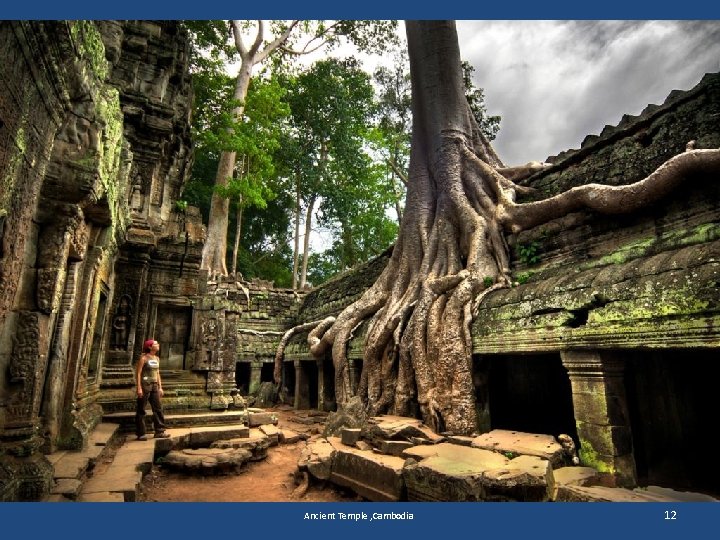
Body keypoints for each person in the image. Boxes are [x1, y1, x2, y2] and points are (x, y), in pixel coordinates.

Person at [135, 339, 170, 440]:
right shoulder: (144, 358)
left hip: (154, 385)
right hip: (145, 385)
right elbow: (138, 373)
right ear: (150, 347)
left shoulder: (157, 358)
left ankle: (159, 431)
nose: (158, 345)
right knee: (141, 409)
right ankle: (141, 433)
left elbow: (158, 373)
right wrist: (139, 388)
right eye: (155, 344)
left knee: (158, 408)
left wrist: (160, 387)